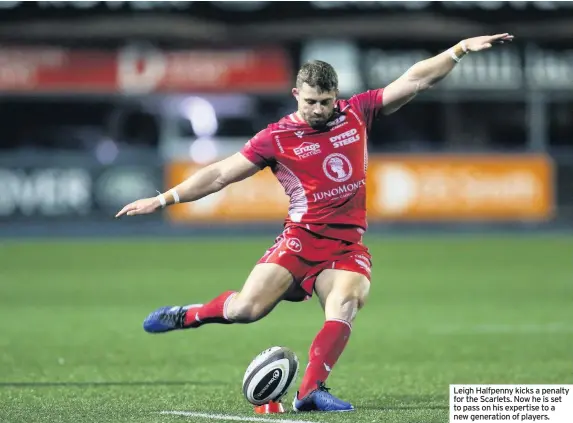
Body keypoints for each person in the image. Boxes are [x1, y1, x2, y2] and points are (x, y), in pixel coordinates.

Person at [116, 34, 513, 412]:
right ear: (296, 95)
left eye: (325, 101)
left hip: (346, 247)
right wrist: (163, 198)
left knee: (347, 300)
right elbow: (220, 174)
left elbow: (415, 79)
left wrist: (459, 49)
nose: (318, 109)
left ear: (336, 96)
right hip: (300, 241)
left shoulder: (358, 112)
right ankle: (190, 314)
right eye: (310, 101)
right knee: (245, 311)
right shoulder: (276, 137)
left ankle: (310, 391)